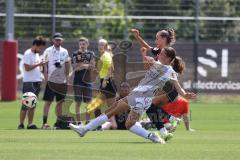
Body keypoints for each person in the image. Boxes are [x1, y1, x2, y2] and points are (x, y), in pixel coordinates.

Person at [70, 47, 196, 143]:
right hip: (138, 96)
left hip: (142, 98)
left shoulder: (169, 71)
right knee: (128, 124)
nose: (160, 54)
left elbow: (177, 85)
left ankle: (84, 129)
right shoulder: (160, 64)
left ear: (168, 58)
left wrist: (185, 94)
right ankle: (153, 137)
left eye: (162, 54)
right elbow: (152, 55)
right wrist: (143, 48)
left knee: (112, 112)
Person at [131, 28, 193, 139]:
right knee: (149, 106)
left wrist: (152, 61)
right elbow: (148, 48)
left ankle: (169, 121)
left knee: (149, 105)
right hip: (163, 89)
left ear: (164, 39)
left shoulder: (166, 53)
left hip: (168, 89)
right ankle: (168, 123)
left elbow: (168, 73)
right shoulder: (160, 51)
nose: (155, 41)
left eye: (157, 38)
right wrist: (137, 37)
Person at [41, 32, 70, 129]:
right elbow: (44, 66)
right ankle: (45, 123)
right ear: (53, 40)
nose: (58, 41)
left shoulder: (65, 51)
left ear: (62, 40)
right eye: (56, 39)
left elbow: (67, 65)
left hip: (62, 81)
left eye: (60, 39)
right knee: (48, 102)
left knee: (60, 102)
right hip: (51, 81)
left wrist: (67, 79)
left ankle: (59, 123)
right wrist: (46, 79)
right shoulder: (48, 51)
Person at [18, 36, 47, 129]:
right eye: (40, 48)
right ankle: (21, 124)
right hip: (29, 83)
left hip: (36, 82)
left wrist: (41, 65)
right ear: (35, 45)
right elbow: (27, 68)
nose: (41, 49)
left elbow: (37, 68)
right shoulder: (27, 53)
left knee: (33, 105)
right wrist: (39, 64)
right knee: (26, 105)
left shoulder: (36, 54)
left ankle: (30, 124)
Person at [71, 37, 96, 124]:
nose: (82, 46)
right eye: (80, 44)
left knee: (89, 102)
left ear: (87, 44)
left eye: (84, 44)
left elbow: (93, 67)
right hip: (77, 81)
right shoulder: (75, 54)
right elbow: (75, 67)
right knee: (78, 102)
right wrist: (86, 65)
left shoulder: (91, 53)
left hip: (88, 81)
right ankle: (78, 122)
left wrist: (82, 65)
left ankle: (88, 121)